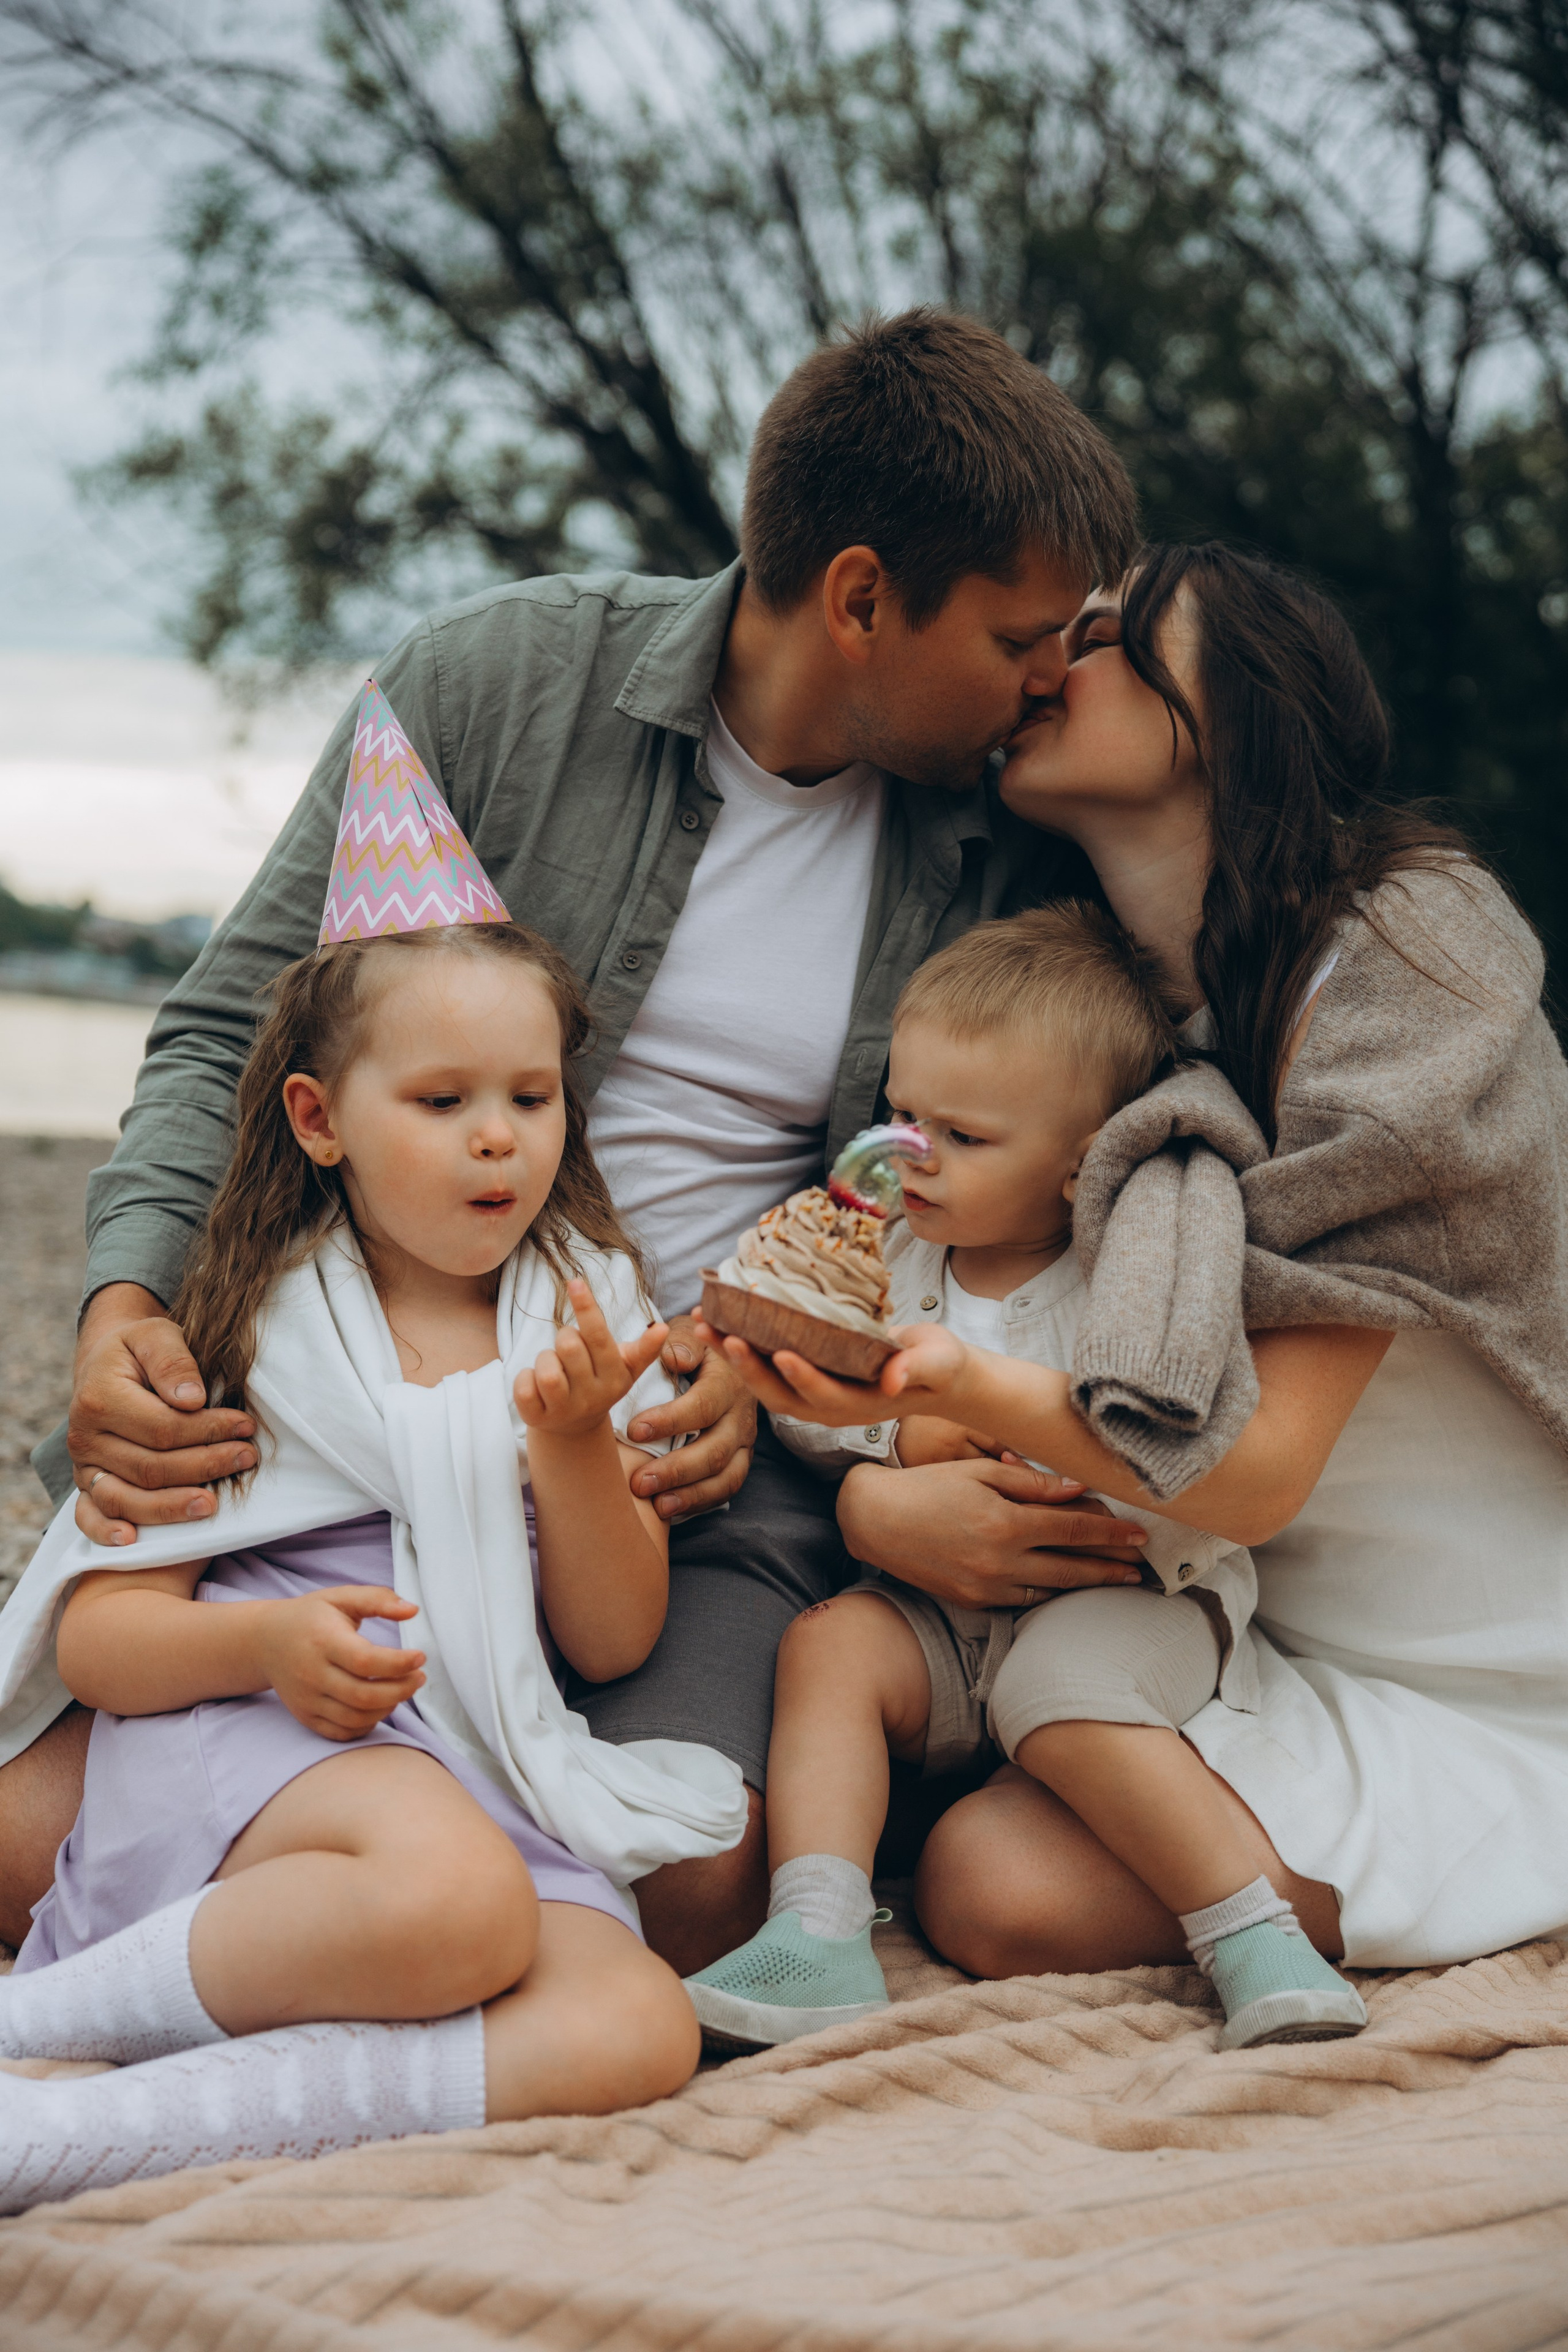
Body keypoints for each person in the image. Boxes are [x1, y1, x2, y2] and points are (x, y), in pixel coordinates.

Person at [9, 310, 1153, 1968]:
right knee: (29, 1845)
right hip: (367, 1398)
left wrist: (767, 1381)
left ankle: (412, 1888)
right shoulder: (499, 685)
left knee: (686, 1881)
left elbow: (989, 1185)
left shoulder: (1006, 846)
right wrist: (126, 1301)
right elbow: (228, 1034)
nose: (1050, 681)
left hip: (694, 1472)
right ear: (857, 598)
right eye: (1018, 638)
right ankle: (384, 1887)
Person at [723, 544, 1568, 2022]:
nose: (1048, 660)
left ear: (1233, 708)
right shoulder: (1111, 1009)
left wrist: (951, 1394)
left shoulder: (1404, 956)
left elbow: (1249, 1477)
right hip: (1251, 1629)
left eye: (1106, 634)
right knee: (981, 1881)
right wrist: (876, 1493)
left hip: (1489, 1660)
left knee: (1003, 1879)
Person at [0, 904, 744, 2212]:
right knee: (456, 1906)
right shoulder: (255, 1322)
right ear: (318, 1118)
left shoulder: (584, 1316)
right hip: (254, 1737)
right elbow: (102, 1643)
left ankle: (75, 2128)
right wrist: (267, 1645)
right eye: (442, 1100)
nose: (498, 1135)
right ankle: (35, 2022)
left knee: (632, 2024)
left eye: (530, 1096)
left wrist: (574, 1442)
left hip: (476, 1754)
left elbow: (612, 1640)